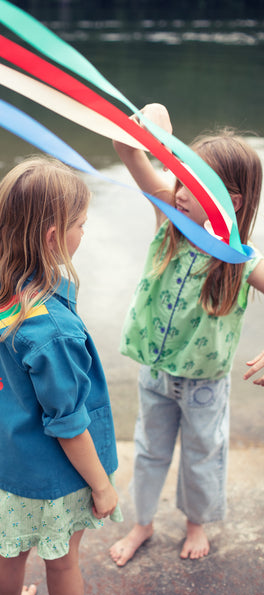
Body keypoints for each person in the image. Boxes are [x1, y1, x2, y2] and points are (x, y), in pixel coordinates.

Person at [0, 156, 122, 595]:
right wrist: (102, 486)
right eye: (80, 224)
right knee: (62, 560)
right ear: (52, 236)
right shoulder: (50, 330)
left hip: (6, 460)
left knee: (10, 549)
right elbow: (67, 423)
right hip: (50, 475)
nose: (84, 232)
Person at [108, 103, 264, 567]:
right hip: (154, 374)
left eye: (190, 186)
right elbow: (126, 148)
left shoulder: (240, 260)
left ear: (230, 201)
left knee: (201, 457)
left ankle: (196, 523)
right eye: (178, 177)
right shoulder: (169, 221)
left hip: (204, 386)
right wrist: (153, 119)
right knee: (149, 450)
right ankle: (144, 522)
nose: (177, 191)